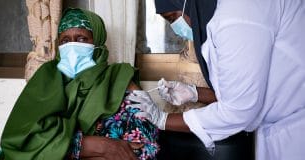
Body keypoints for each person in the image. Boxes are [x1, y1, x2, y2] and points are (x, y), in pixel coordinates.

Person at [126, 0, 305, 160]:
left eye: (173, 18)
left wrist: (162, 119)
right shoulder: (221, 16)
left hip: (296, 129)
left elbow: (238, 110)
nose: (177, 28)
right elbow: (242, 92)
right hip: (282, 127)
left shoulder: (237, 15)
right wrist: (194, 93)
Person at [0, 8, 159, 160]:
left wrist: (64, 150)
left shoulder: (119, 80)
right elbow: (23, 139)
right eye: (65, 40)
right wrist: (101, 146)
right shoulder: (46, 78)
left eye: (81, 38)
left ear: (97, 42)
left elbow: (144, 150)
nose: (72, 46)